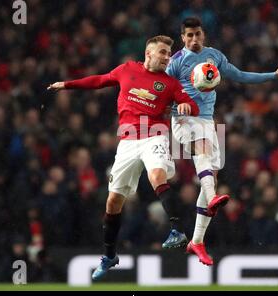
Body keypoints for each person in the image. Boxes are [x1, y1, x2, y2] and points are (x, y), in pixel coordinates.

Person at [47, 35, 199, 280]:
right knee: (112, 204)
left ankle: (178, 230)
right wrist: (67, 84)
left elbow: (192, 105)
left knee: (157, 175)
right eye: (162, 52)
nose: (166, 57)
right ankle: (109, 256)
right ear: (148, 53)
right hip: (127, 143)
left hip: (154, 136)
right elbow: (99, 80)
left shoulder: (170, 84)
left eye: (169, 53)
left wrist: (185, 107)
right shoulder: (127, 69)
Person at [166, 17, 278, 265]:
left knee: (211, 176)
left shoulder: (214, 56)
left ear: (203, 35)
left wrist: (275, 74)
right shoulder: (175, 62)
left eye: (198, 34)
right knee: (204, 157)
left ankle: (197, 241)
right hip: (183, 120)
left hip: (206, 122)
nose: (194, 39)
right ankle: (213, 196)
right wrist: (172, 105)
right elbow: (162, 89)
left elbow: (240, 75)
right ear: (183, 38)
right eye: (189, 35)